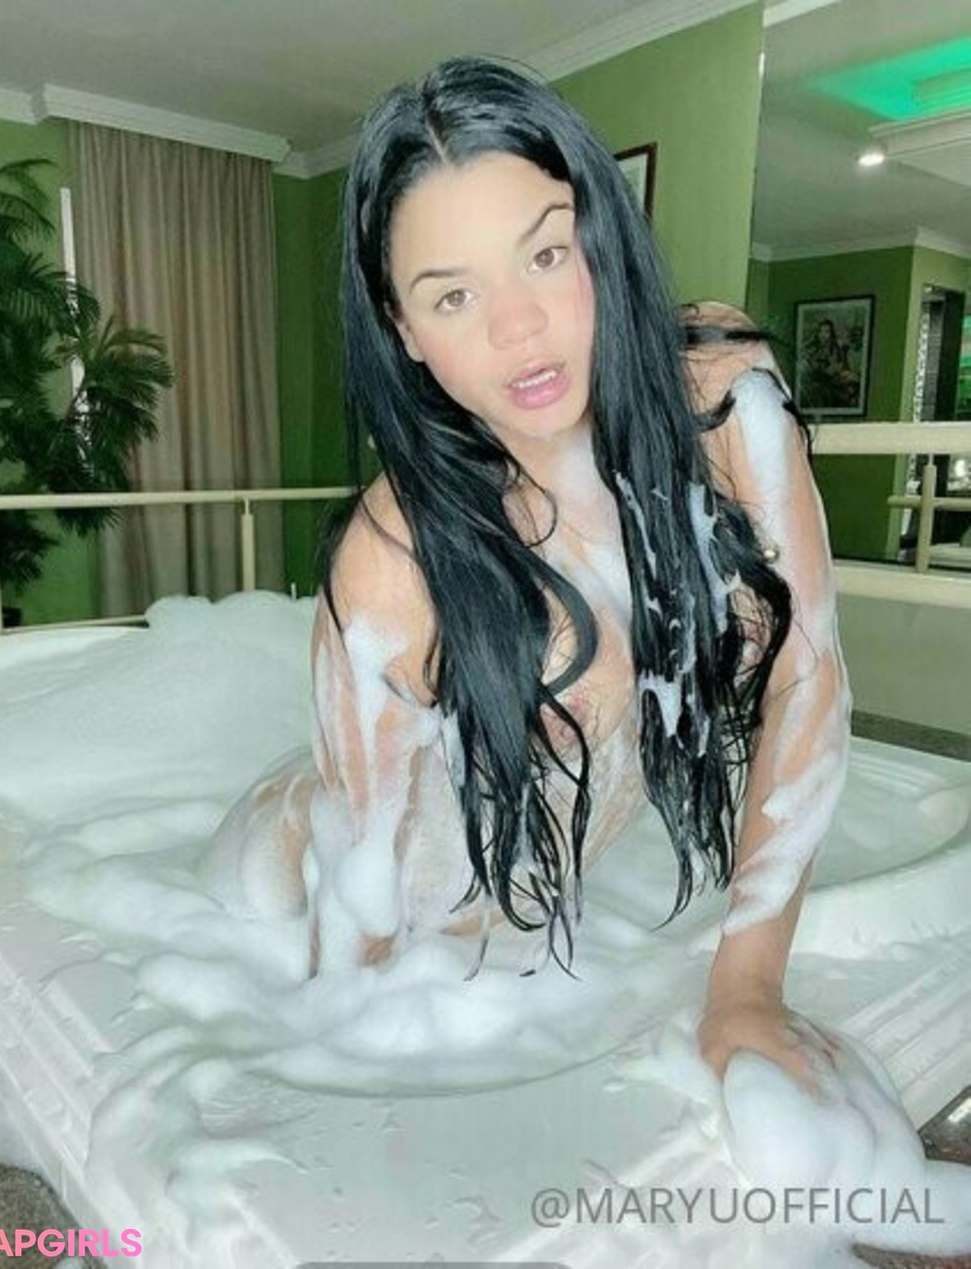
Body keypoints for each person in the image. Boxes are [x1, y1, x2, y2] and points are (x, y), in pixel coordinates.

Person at [209, 57, 851, 1089]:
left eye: (546, 254)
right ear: (405, 331)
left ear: (601, 233)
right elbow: (357, 895)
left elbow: (807, 677)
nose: (518, 328)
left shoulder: (727, 405)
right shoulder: (392, 563)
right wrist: (336, 1051)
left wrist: (746, 988)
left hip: (499, 923)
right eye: (453, 294)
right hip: (296, 880)